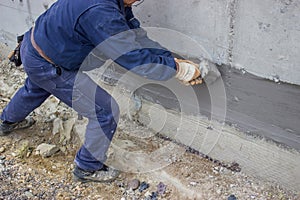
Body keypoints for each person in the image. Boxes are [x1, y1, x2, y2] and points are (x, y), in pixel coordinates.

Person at [0, 0, 203, 182]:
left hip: (33, 48)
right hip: (47, 63)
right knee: (104, 111)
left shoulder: (116, 4)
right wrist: (178, 70)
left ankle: (6, 122)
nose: (136, 3)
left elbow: (135, 36)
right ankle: (87, 167)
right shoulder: (101, 12)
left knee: (34, 88)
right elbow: (133, 58)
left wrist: (171, 60)